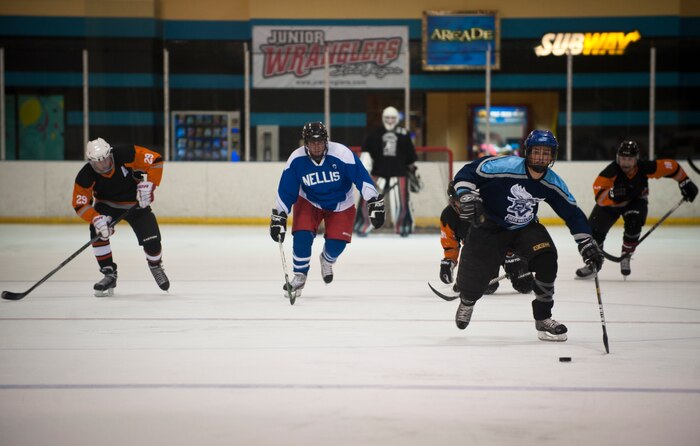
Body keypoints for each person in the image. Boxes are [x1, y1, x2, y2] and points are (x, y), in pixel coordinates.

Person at [449, 130, 603, 342]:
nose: (540, 157)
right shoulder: (503, 166)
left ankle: (543, 318)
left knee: (547, 259)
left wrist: (586, 242)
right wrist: (465, 194)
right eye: (536, 151)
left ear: (552, 156)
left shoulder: (551, 182)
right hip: (489, 226)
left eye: (546, 153)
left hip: (524, 227)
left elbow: (572, 212)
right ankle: (467, 301)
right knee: (474, 278)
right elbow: (467, 172)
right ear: (527, 152)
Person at [269, 122, 385, 299]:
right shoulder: (296, 159)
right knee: (302, 236)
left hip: (341, 203)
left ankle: (327, 260)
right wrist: (279, 214)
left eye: (320, 141)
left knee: (337, 244)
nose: (316, 146)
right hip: (309, 201)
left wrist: (373, 201)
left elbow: (361, 177)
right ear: (305, 143)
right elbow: (286, 189)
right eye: (312, 142)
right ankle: (299, 276)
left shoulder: (342, 154)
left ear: (326, 141)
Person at [575, 140, 698, 278]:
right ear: (617, 158)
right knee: (593, 232)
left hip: (635, 202)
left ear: (636, 159)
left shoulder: (645, 167)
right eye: (623, 159)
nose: (626, 163)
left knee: (634, 223)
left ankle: (626, 255)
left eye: (629, 159)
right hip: (611, 204)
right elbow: (599, 198)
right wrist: (612, 193)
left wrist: (684, 181)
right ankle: (593, 264)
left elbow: (672, 167)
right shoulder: (610, 172)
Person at [72, 137, 169, 297]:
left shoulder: (126, 153)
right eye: (98, 162)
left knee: (152, 241)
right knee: (97, 232)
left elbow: (156, 159)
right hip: (107, 206)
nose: (103, 165)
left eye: (105, 159)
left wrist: (150, 184)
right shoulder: (85, 175)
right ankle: (109, 273)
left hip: (135, 204)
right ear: (90, 162)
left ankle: (155, 266)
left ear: (110, 153)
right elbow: (80, 204)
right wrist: (95, 218)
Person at [440, 181, 533, 295]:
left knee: (525, 285)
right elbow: (450, 244)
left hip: (505, 248)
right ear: (452, 202)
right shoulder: (448, 216)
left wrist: (511, 254)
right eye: (459, 201)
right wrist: (448, 261)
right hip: (480, 253)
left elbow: (513, 230)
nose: (463, 205)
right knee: (488, 288)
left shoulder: (493, 208)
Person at [354, 106, 419, 237]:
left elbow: (410, 158)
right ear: (383, 118)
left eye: (393, 118)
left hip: (399, 173)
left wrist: (413, 172)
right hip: (377, 173)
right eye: (387, 118)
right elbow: (366, 155)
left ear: (397, 119)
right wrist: (365, 171)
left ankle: (404, 228)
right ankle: (363, 226)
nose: (390, 120)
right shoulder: (374, 134)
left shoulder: (404, 134)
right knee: (368, 200)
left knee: (402, 203)